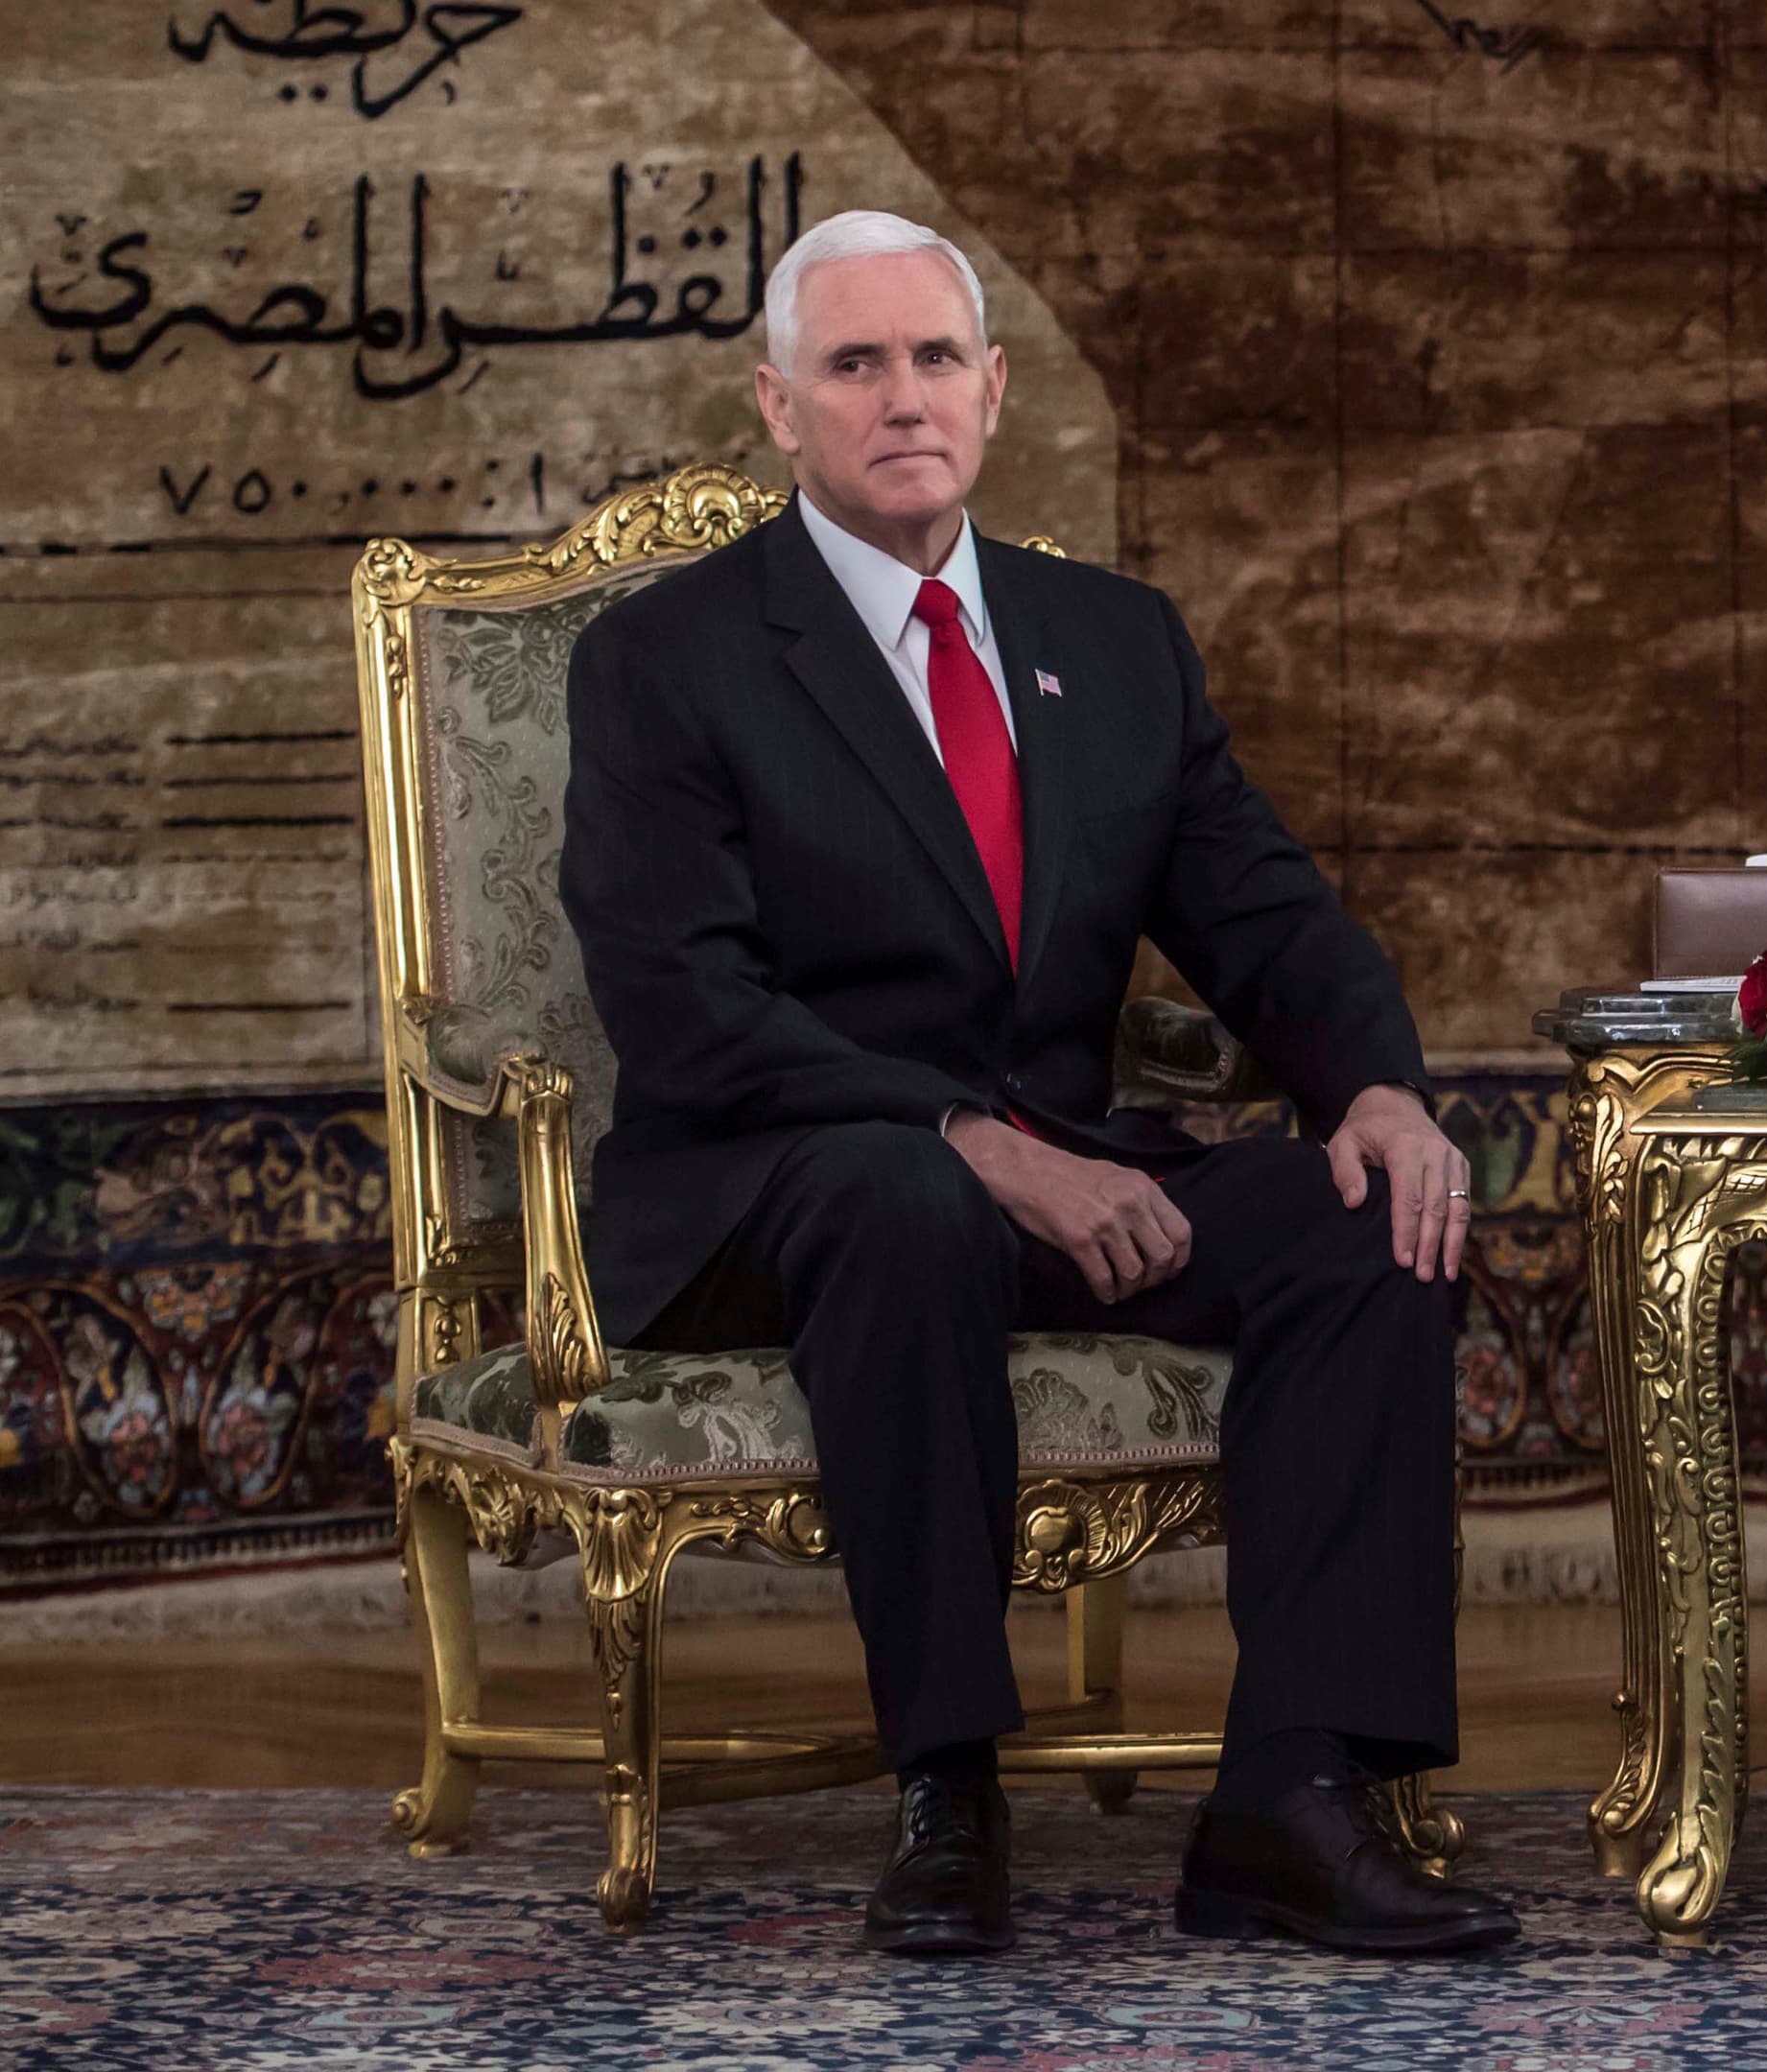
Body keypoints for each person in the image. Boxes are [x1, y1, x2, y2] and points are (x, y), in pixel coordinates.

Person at [559, 210, 1515, 1958]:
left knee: (1373, 1223)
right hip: (778, 1182)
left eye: (934, 359)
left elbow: (1266, 913)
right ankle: (949, 1792)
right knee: (908, 1194)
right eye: (854, 364)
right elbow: (687, 1007)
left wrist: (1374, 1086)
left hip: (1068, 1165)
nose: (901, 397)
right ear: (780, 408)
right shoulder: (667, 659)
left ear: (994, 393)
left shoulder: (1119, 641)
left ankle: (1290, 1803)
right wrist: (972, 1139)